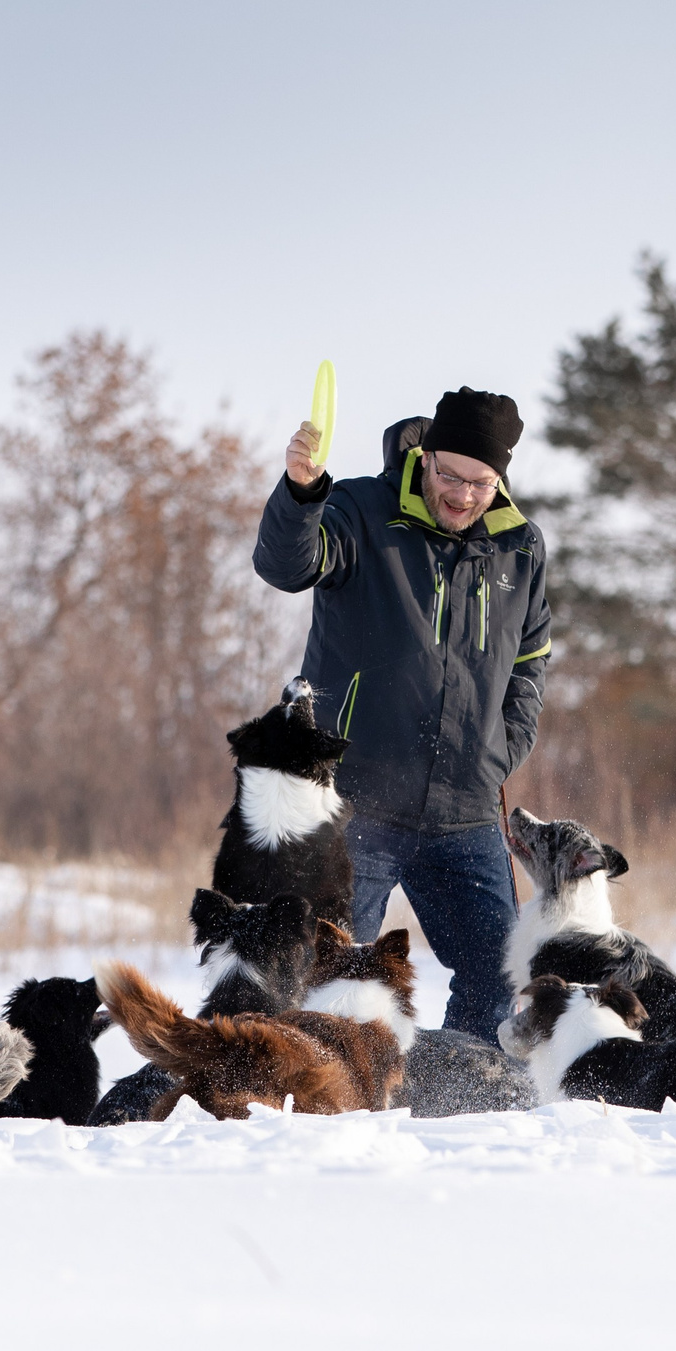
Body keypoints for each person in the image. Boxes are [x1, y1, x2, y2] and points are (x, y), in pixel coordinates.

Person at [252, 387, 551, 1042]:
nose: (463, 494)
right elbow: (285, 563)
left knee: (501, 976)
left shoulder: (519, 547)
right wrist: (302, 495)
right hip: (354, 800)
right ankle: (304, 1112)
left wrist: (501, 747)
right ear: (426, 457)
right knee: (322, 977)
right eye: (451, 474)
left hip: (465, 808)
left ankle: (462, 1109)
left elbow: (531, 659)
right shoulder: (360, 509)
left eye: (481, 481)